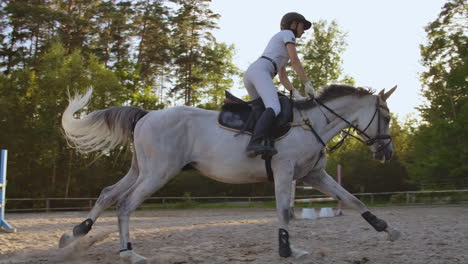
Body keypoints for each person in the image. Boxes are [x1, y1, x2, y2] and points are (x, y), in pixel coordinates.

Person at [244, 12, 316, 158]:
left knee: (262, 110)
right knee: (275, 107)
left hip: (253, 73)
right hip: (261, 71)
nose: (303, 30)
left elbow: (283, 78)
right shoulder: (287, 34)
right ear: (293, 24)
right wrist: (307, 83)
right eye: (302, 26)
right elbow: (295, 61)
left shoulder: (280, 46)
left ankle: (264, 142)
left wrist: (295, 92)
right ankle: (254, 143)